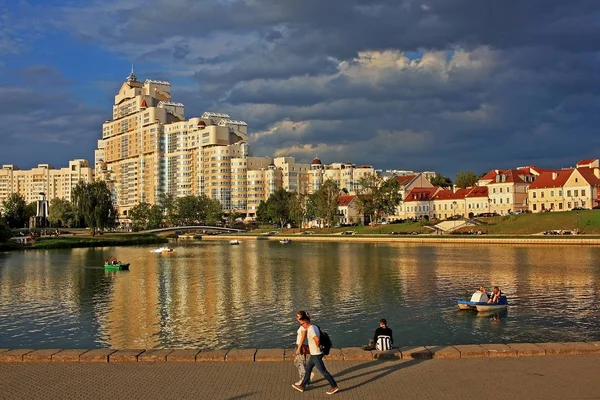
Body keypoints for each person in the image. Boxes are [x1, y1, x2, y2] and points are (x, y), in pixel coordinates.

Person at [292, 316, 339, 395]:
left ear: (306, 322)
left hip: (316, 354)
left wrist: (317, 347)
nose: (302, 325)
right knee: (308, 368)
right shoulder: (314, 326)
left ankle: (334, 386)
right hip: (314, 354)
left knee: (323, 371)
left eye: (302, 324)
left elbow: (317, 339)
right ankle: (302, 386)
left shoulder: (310, 330)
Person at [294, 311, 314, 385]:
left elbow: (303, 337)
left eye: (298, 316)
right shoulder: (303, 325)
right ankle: (307, 377)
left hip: (301, 345)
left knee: (300, 362)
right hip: (300, 345)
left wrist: (299, 348)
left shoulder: (303, 327)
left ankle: (304, 379)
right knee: (298, 361)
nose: (297, 318)